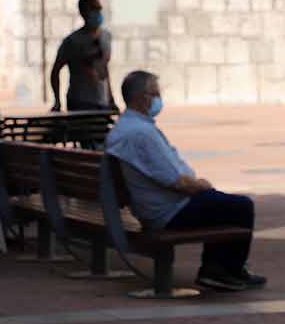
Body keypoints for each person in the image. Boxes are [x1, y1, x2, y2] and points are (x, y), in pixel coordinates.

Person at [104, 70, 265, 292]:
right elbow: (177, 182)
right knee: (241, 207)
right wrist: (202, 185)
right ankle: (227, 271)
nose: (159, 99)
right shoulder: (140, 133)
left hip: (154, 206)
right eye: (155, 93)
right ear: (142, 97)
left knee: (217, 202)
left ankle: (215, 268)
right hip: (168, 211)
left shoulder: (126, 127)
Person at [50, 0, 115, 112]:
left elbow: (104, 68)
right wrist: (57, 101)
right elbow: (55, 71)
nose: (98, 12)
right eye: (94, 9)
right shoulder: (72, 41)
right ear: (83, 12)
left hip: (102, 102)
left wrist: (111, 99)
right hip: (80, 102)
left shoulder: (106, 37)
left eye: (99, 8)